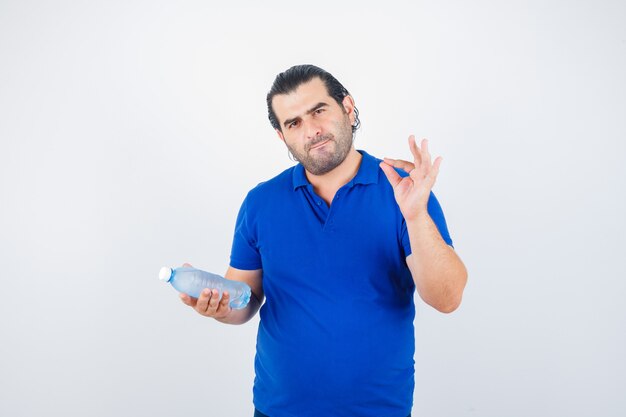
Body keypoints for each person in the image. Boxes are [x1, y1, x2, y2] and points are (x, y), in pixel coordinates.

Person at [179, 64, 468, 417]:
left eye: (319, 111)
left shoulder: (403, 191)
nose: (311, 130)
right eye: (293, 123)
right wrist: (221, 308)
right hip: (277, 410)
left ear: (347, 108)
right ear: (282, 136)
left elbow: (447, 298)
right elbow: (245, 299)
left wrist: (416, 216)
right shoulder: (261, 202)